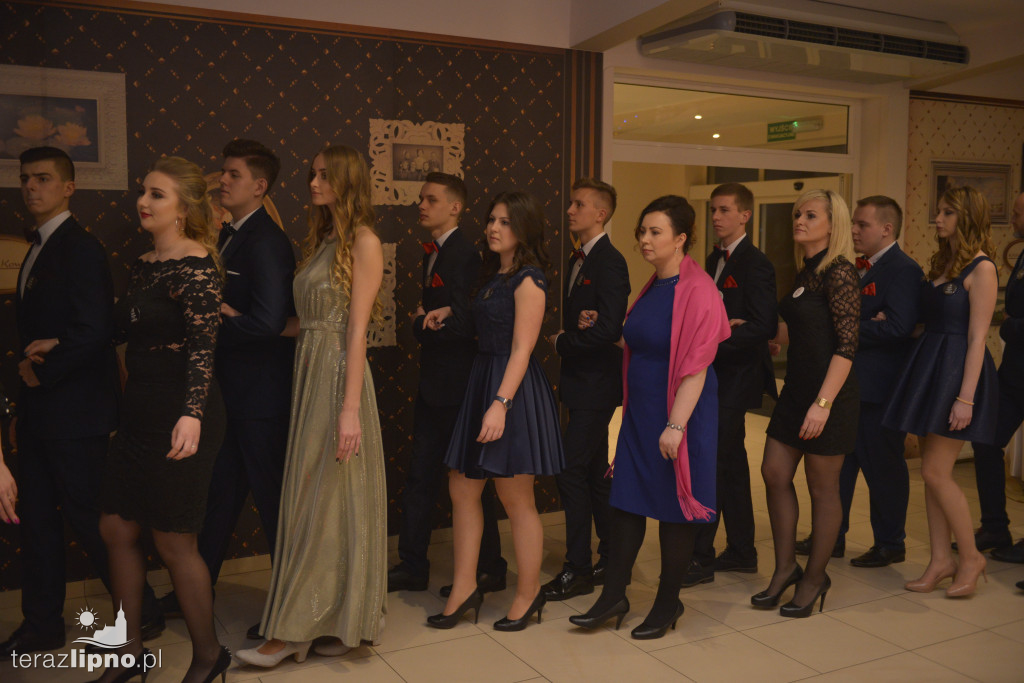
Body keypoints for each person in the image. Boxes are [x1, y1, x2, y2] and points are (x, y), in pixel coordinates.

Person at [1, 146, 164, 661]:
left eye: (43, 178)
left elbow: (93, 332)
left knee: (93, 520)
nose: (32, 187)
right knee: (37, 523)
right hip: (41, 412)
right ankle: (41, 625)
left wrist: (41, 373)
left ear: (69, 187)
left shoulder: (82, 248)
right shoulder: (40, 245)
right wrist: (26, 400)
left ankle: (144, 611)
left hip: (77, 413)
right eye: (26, 179)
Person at [236, 145, 387, 667]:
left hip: (340, 379)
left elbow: (357, 329)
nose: (314, 183)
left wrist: (349, 409)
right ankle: (329, 620)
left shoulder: (365, 241)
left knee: (329, 498)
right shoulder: (324, 241)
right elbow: (309, 322)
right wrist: (239, 318)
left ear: (348, 182)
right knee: (312, 498)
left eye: (325, 175)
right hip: (309, 371)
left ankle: (294, 632)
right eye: (313, 174)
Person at [93, 156, 229, 682]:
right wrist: (62, 342)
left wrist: (192, 413)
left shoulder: (197, 265)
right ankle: (128, 652)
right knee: (116, 526)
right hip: (140, 412)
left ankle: (209, 656)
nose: (143, 202)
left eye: (157, 194)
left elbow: (203, 347)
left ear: (184, 208)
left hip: (183, 412)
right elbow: (125, 331)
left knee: (173, 541)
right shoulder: (145, 263)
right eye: (143, 192)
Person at [570, 195, 730, 639]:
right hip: (641, 413)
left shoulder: (698, 289)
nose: (644, 239)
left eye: (655, 232)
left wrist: (676, 425)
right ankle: (613, 596)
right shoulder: (654, 285)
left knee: (674, 509)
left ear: (680, 239)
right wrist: (601, 326)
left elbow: (696, 365)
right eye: (642, 231)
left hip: (681, 415)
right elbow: (645, 343)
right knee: (627, 501)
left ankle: (666, 602)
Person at [158, 140, 296, 640]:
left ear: (259, 186)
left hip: (260, 398)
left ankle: (287, 609)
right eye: (222, 172)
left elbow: (268, 322)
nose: (223, 181)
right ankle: (196, 591)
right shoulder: (233, 234)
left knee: (273, 502)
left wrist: (218, 322)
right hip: (231, 395)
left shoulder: (267, 241)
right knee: (219, 496)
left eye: (233, 174)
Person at [423, 191, 564, 632]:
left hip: (511, 389)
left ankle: (528, 593)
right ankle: (464, 588)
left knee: (516, 497)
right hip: (482, 378)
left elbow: (523, 349)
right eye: (491, 220)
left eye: (504, 221)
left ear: (524, 228)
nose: (493, 228)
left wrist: (500, 405)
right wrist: (449, 309)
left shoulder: (529, 279)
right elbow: (481, 321)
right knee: (462, 488)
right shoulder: (492, 274)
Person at [388, 173, 508, 595]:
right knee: (420, 478)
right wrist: (428, 319)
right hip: (433, 387)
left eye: (431, 199)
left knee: (470, 481)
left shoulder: (465, 255)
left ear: (455, 207)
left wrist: (420, 323)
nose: (421, 205)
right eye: (421, 199)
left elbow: (464, 325)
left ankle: (490, 567)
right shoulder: (437, 252)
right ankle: (413, 565)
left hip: (459, 389)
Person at [884, 185, 998, 597]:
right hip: (931, 367)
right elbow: (930, 321)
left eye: (947, 212)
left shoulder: (982, 268)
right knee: (934, 475)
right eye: (939, 211)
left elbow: (977, 338)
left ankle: (970, 557)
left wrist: (966, 398)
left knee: (934, 471)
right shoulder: (945, 262)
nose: (937, 218)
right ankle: (940, 560)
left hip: (958, 374)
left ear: (966, 217)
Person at [752, 189, 860, 618]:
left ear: (833, 225)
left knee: (822, 487)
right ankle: (785, 569)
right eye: (798, 214)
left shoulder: (840, 272)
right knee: (774, 472)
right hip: (796, 390)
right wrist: (768, 333)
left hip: (828, 396)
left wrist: (823, 403)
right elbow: (806, 328)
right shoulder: (806, 272)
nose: (799, 220)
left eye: (811, 215)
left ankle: (815, 578)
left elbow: (847, 346)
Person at [543, 177, 629, 601]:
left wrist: (564, 342)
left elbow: (609, 329)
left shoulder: (610, 262)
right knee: (594, 473)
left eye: (579, 204)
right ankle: (612, 557)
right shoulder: (579, 256)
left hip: (597, 384)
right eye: (571, 203)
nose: (570, 210)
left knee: (569, 470)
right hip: (581, 384)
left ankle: (577, 567)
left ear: (601, 213)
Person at [687, 182, 777, 586]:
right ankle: (742, 550)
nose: (716, 217)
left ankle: (701, 556)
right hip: (715, 374)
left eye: (724, 210)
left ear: (745, 215)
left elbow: (763, 324)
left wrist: (718, 338)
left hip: (737, 375)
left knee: (717, 463)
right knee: (732, 464)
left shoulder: (756, 263)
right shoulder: (713, 259)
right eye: (713, 210)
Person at [835, 196, 922, 568]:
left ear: (886, 229)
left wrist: (848, 327)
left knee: (883, 467)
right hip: (851, 384)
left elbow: (899, 328)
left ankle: (890, 543)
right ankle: (832, 535)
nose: (854, 230)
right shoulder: (854, 267)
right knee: (841, 464)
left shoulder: (903, 270)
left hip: (881, 387)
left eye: (862, 224)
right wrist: (869, 323)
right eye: (854, 223)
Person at [969, 191, 1024, 563]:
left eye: (1018, 213)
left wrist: (1010, 325)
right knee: (985, 440)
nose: (1013, 219)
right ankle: (994, 526)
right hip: (1015, 374)